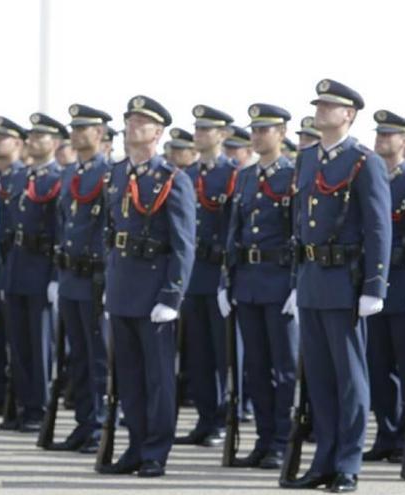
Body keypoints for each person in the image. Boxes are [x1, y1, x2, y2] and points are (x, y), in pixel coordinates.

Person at [280, 79, 391, 492]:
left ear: (348, 115)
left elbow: (379, 227)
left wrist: (374, 286)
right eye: (319, 104)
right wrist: (295, 281)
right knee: (320, 381)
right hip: (311, 280)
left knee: (350, 380)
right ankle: (324, 459)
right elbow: (299, 225)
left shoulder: (363, 161)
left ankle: (348, 462)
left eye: (330, 106)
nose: (321, 110)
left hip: (345, 281)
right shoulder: (307, 159)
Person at [98, 95, 195, 477]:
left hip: (155, 289)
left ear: (157, 132)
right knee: (129, 376)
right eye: (129, 120)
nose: (132, 126)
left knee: (158, 378)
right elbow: (110, 231)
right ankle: (136, 446)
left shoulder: (171, 178)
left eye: (141, 121)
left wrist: (172, 294)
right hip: (123, 285)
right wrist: (110, 278)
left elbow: (183, 243)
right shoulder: (117, 174)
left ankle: (156, 450)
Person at [220, 103, 298, 469]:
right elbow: (233, 232)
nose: (257, 135)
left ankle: (282, 440)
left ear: (281, 134)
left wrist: (298, 286)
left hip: (280, 282)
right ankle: (264, 438)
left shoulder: (293, 175)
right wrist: (226, 280)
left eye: (265, 129)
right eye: (254, 129)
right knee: (254, 366)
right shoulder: (247, 176)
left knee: (283, 368)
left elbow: (299, 233)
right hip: (248, 282)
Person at [51, 104, 112, 453]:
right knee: (78, 356)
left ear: (100, 134)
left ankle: (100, 425)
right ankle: (83, 423)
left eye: (83, 127)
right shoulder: (70, 174)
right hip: (71, 275)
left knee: (97, 355)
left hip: (95, 278)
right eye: (73, 127)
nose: (75, 133)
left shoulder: (107, 174)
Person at [176, 104, 237, 448]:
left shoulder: (231, 174)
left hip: (218, 275)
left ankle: (228, 417)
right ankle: (205, 418)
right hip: (193, 275)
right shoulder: (186, 175)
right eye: (197, 129)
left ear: (222, 135)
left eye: (206, 129)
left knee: (222, 353)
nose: (199, 134)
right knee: (197, 354)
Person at [1, 112, 67, 432]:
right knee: (19, 343)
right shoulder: (19, 178)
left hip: (41, 268)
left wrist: (55, 277)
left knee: (40, 345)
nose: (33, 141)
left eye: (41, 136)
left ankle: (38, 407)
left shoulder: (59, 179)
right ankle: (23, 403)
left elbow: (61, 232)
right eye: (32, 136)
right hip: (16, 267)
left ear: (54, 143)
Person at [361, 110, 405, 464]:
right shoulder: (369, 176)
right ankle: (385, 433)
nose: (382, 140)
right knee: (377, 365)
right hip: (372, 283)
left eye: (390, 135)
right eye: (379, 134)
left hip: (403, 280)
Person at [0, 116, 27, 414]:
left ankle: (23, 402)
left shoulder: (24, 178)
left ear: (18, 144)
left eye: (4, 137)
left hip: (15, 266)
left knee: (20, 341)